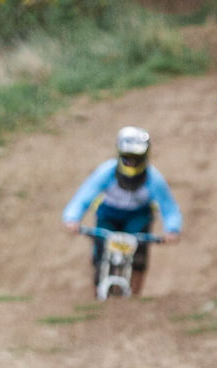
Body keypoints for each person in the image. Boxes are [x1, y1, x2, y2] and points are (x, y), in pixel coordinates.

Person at [62, 126, 182, 296]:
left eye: (136, 158)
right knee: (100, 254)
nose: (131, 162)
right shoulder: (107, 172)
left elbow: (168, 207)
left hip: (138, 217)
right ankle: (98, 291)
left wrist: (172, 229)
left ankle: (134, 297)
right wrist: (72, 218)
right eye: (127, 158)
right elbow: (84, 195)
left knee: (139, 257)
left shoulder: (153, 178)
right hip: (108, 215)